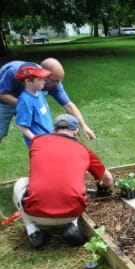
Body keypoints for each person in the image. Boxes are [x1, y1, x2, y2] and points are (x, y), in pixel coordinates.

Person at [13, 114, 113, 249]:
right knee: (78, 187)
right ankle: (73, 225)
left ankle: (33, 231)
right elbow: (107, 179)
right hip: (71, 212)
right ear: (76, 132)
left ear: (54, 130)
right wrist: (105, 189)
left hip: (35, 213)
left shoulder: (37, 141)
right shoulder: (84, 150)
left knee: (21, 182)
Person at [0, 58, 96, 143]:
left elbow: (68, 105)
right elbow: (1, 93)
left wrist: (84, 126)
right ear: (44, 75)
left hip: (29, 101)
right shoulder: (13, 71)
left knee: (41, 131)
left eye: (59, 81)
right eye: (55, 81)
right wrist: (25, 105)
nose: (57, 85)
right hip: (4, 99)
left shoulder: (54, 84)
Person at [15, 65, 53, 147]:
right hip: (39, 142)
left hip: (49, 137)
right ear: (28, 82)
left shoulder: (39, 93)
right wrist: (35, 139)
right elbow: (21, 125)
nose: (44, 81)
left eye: (43, 79)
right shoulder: (25, 101)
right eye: (39, 79)